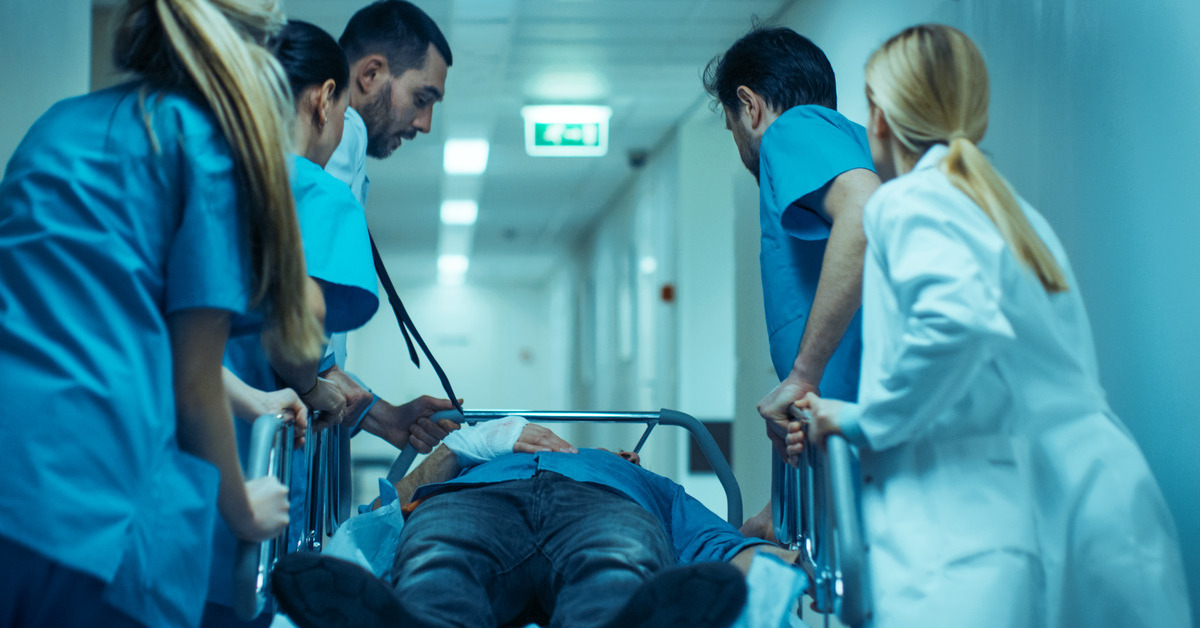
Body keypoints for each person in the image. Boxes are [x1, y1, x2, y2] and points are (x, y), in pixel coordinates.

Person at [794, 24, 1192, 627]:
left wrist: (862, 419)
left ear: (878, 116)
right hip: (1091, 494)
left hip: (995, 516)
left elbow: (957, 323)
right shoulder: (1007, 211)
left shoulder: (911, 202)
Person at [0, 0, 321, 625]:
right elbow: (192, 380)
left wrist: (252, 399)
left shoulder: (56, 126)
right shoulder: (203, 146)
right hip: (97, 504)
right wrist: (242, 508)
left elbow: (110, 318)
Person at [202, 20, 458, 626]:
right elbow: (297, 330)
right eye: (423, 97)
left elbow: (206, 336)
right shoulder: (328, 157)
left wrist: (377, 413)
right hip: (241, 451)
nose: (424, 124)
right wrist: (320, 388)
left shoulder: (206, 164)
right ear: (341, 90)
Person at [269, 419, 804, 628]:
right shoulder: (476, 460)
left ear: (630, 455)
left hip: (605, 508)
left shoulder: (643, 481)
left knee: (616, 571)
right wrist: (459, 448)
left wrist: (783, 568)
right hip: (472, 503)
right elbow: (379, 519)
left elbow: (725, 551)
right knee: (438, 564)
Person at [703, 26, 879, 468]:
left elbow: (864, 209)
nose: (739, 145)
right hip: (848, 443)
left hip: (859, 446)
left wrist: (803, 376)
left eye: (731, 127)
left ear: (750, 106)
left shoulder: (792, 129)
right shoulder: (851, 145)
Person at [315, 0, 460, 449]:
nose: (425, 123)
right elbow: (304, 297)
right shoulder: (345, 131)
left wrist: (386, 419)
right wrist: (318, 372)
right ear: (371, 74)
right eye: (422, 99)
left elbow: (321, 358)